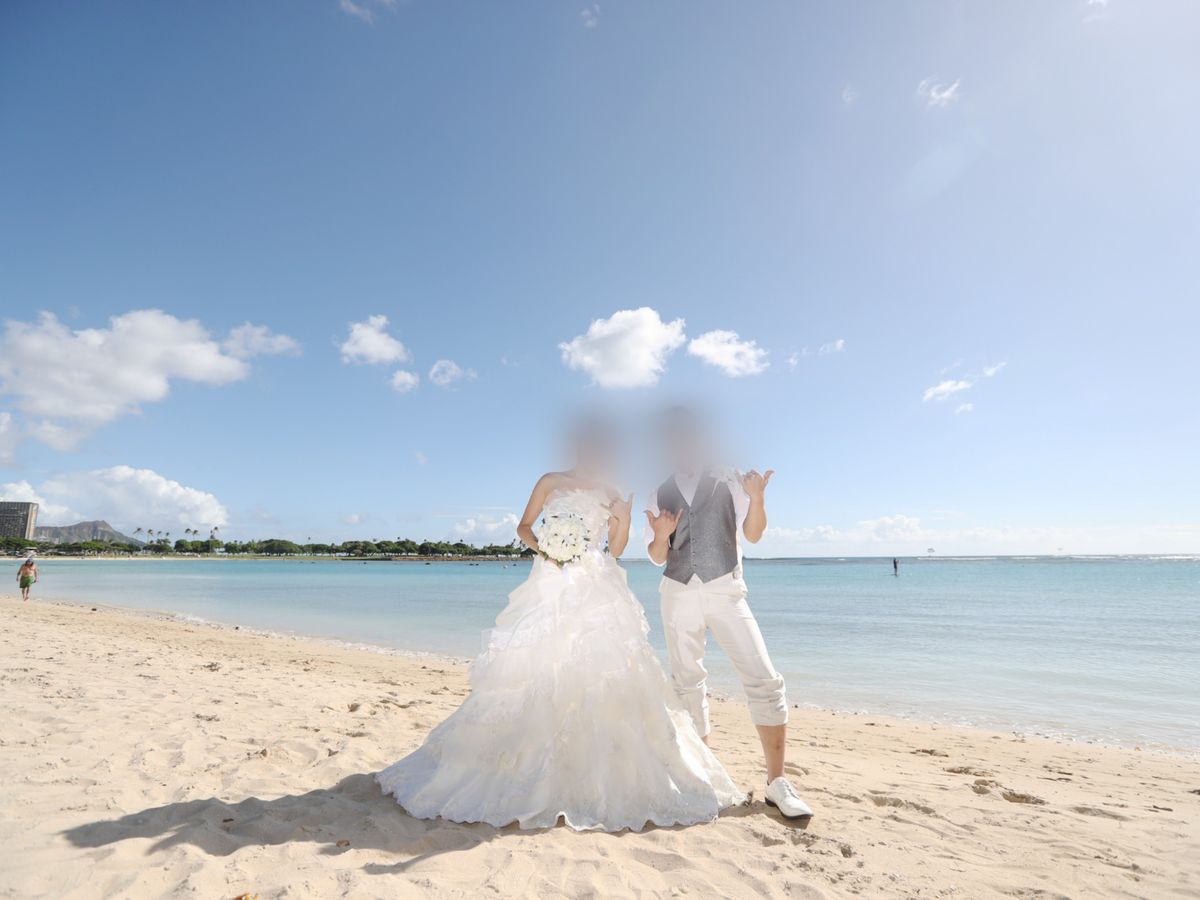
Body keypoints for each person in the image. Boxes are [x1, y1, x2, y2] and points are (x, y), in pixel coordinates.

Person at [377, 422, 743, 832]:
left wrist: (622, 520)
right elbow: (523, 527)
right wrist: (547, 549)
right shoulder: (550, 481)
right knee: (541, 664)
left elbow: (616, 549)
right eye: (589, 446)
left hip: (595, 581)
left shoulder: (611, 491)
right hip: (549, 579)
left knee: (601, 666)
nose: (595, 454)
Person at [644, 407, 813, 820]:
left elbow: (753, 534)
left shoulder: (730, 479)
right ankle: (704, 777)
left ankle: (777, 783)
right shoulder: (658, 492)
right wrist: (661, 536)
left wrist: (757, 498)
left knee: (764, 679)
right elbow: (656, 556)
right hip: (678, 593)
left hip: (726, 590)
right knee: (688, 685)